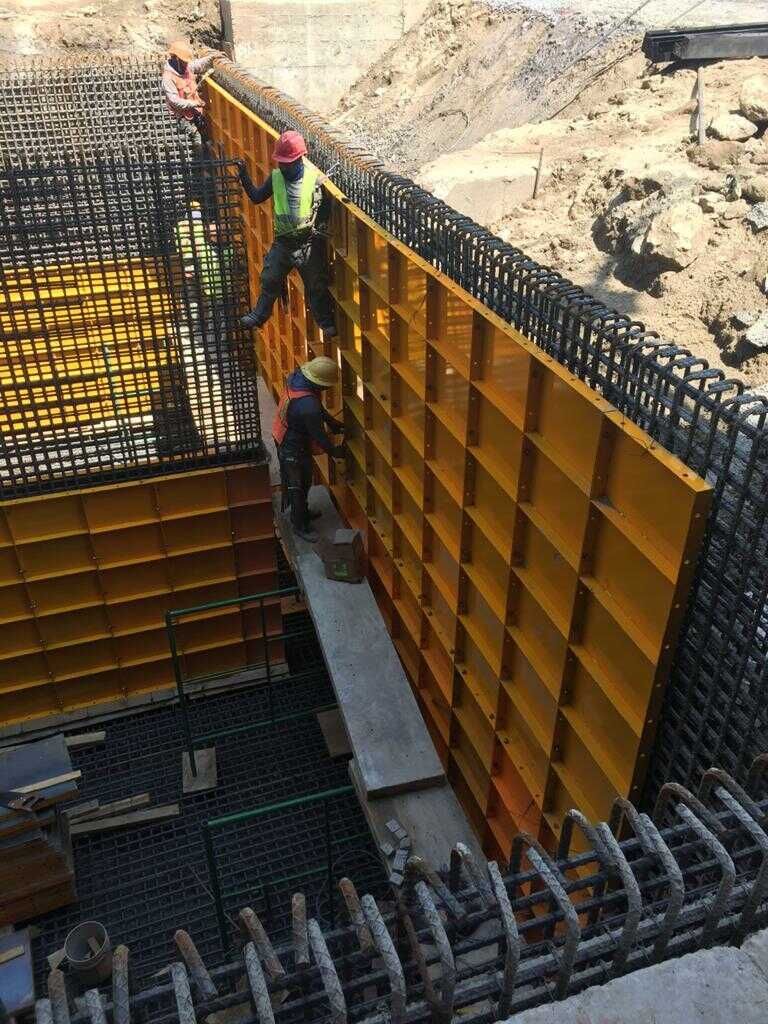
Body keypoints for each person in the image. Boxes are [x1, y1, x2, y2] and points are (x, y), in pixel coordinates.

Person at [237, 131, 337, 337]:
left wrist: (320, 229)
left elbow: (326, 205)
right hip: (283, 243)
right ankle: (258, 316)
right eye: (281, 162)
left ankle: (325, 323)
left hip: (306, 242)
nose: (282, 166)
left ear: (299, 159)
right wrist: (244, 177)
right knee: (270, 278)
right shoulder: (276, 178)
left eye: (287, 162)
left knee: (316, 284)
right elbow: (256, 197)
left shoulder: (314, 180)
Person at [272, 356, 345, 542]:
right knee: (298, 484)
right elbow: (318, 435)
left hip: (283, 433)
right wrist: (334, 451)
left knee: (300, 482)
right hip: (292, 447)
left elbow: (315, 406)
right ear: (320, 384)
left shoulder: (297, 380)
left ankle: (302, 511)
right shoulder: (308, 406)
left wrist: (331, 422)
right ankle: (300, 525)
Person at [161, 39, 215, 152]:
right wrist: (193, 103)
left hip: (194, 110)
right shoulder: (168, 78)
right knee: (197, 138)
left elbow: (197, 65)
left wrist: (212, 57)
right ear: (176, 58)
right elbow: (174, 101)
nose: (186, 63)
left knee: (206, 133)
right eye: (184, 61)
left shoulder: (185, 67)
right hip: (182, 116)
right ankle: (201, 167)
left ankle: (207, 156)